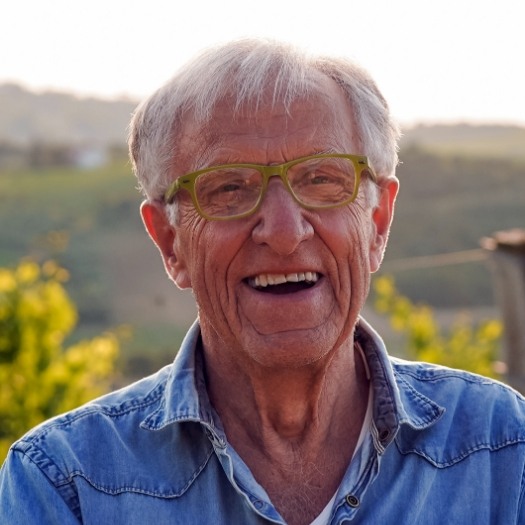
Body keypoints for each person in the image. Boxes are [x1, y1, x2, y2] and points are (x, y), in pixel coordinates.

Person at [1, 38, 525, 525]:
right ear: (169, 242)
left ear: (377, 223)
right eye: (228, 188)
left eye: (322, 179)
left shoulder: (503, 450)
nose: (283, 231)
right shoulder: (66, 486)